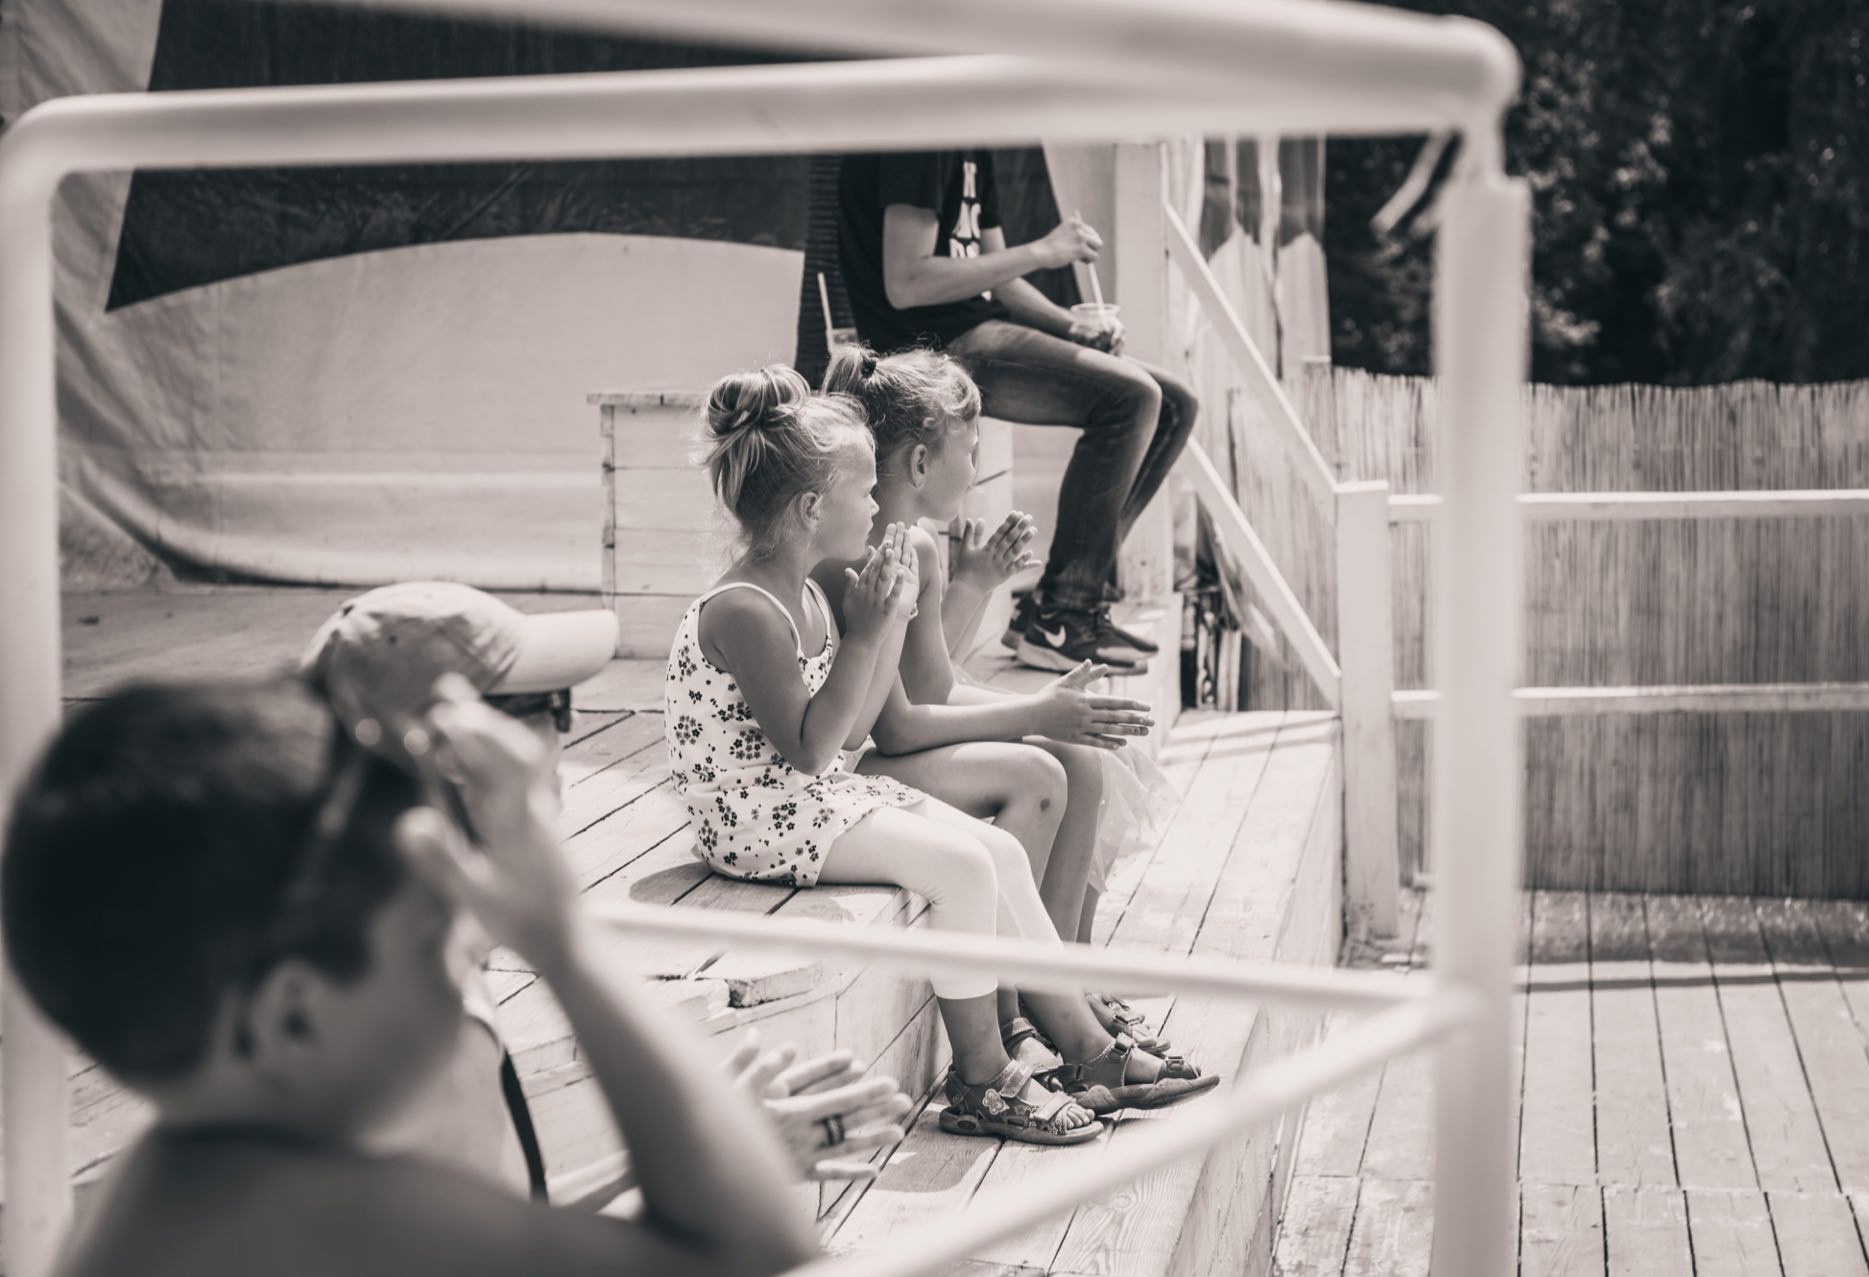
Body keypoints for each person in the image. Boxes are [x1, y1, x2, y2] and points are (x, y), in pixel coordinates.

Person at [1, 674, 819, 1277]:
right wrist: (562, 941)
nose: (472, 952)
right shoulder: (294, 1216)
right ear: (295, 1017)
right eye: (439, 937)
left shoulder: (184, 1189)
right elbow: (755, 1250)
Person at [664, 364, 1215, 1141]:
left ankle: (1085, 1046)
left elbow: (849, 733)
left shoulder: (808, 592)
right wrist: (870, 628)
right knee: (966, 868)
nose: (873, 505)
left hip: (801, 799)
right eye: (861, 492)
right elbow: (821, 746)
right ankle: (984, 1076)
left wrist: (878, 624)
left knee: (996, 849)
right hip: (755, 820)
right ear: (812, 509)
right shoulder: (747, 609)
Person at [299, 581, 911, 1191]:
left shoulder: (387, 933)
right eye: (551, 707)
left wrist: (693, 1154)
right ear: (459, 751)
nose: (565, 736)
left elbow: (505, 1219)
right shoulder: (417, 1011)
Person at [817, 344, 1181, 1058]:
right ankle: (1033, 1005)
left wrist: (980, 591)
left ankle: (1069, 974)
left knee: (1083, 758)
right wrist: (1037, 713)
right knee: (1043, 770)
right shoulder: (861, 557)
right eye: (970, 449)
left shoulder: (917, 546)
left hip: (889, 752)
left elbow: (935, 682)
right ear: (921, 464)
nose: (977, 468)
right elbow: (895, 725)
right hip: (858, 772)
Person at [837, 148, 1200, 672]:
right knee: (1133, 398)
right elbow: (907, 282)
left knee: (1173, 405)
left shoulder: (975, 145)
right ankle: (1065, 611)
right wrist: (1043, 250)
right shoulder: (921, 130)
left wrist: (1071, 326)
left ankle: (1064, 598)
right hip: (930, 347)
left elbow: (997, 278)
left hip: (975, 328)